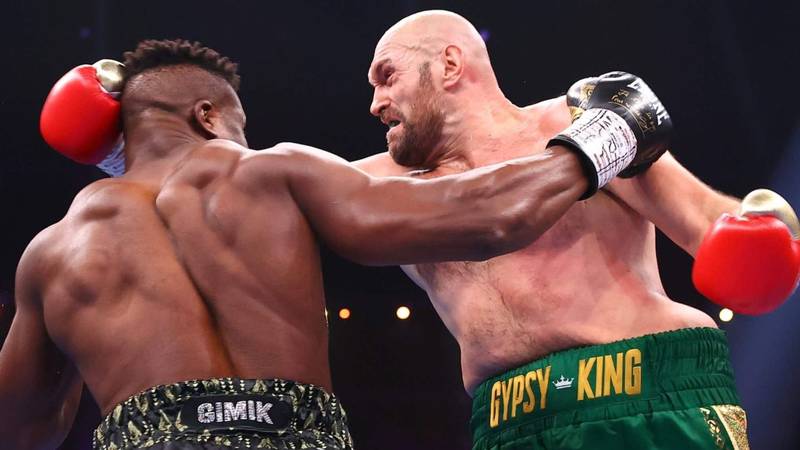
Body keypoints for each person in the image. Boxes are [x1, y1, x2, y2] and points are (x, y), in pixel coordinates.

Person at [0, 37, 665, 450]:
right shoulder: (267, 173)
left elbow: (22, 429)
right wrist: (611, 133)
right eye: (238, 125)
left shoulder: (53, 255)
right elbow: (489, 217)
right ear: (207, 116)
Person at [356, 10, 799, 450]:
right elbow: (305, 184)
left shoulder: (582, 122)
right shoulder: (376, 188)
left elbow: (704, 222)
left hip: (647, 395)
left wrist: (767, 233)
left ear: (450, 64)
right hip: (506, 420)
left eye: (387, 77)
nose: (376, 103)